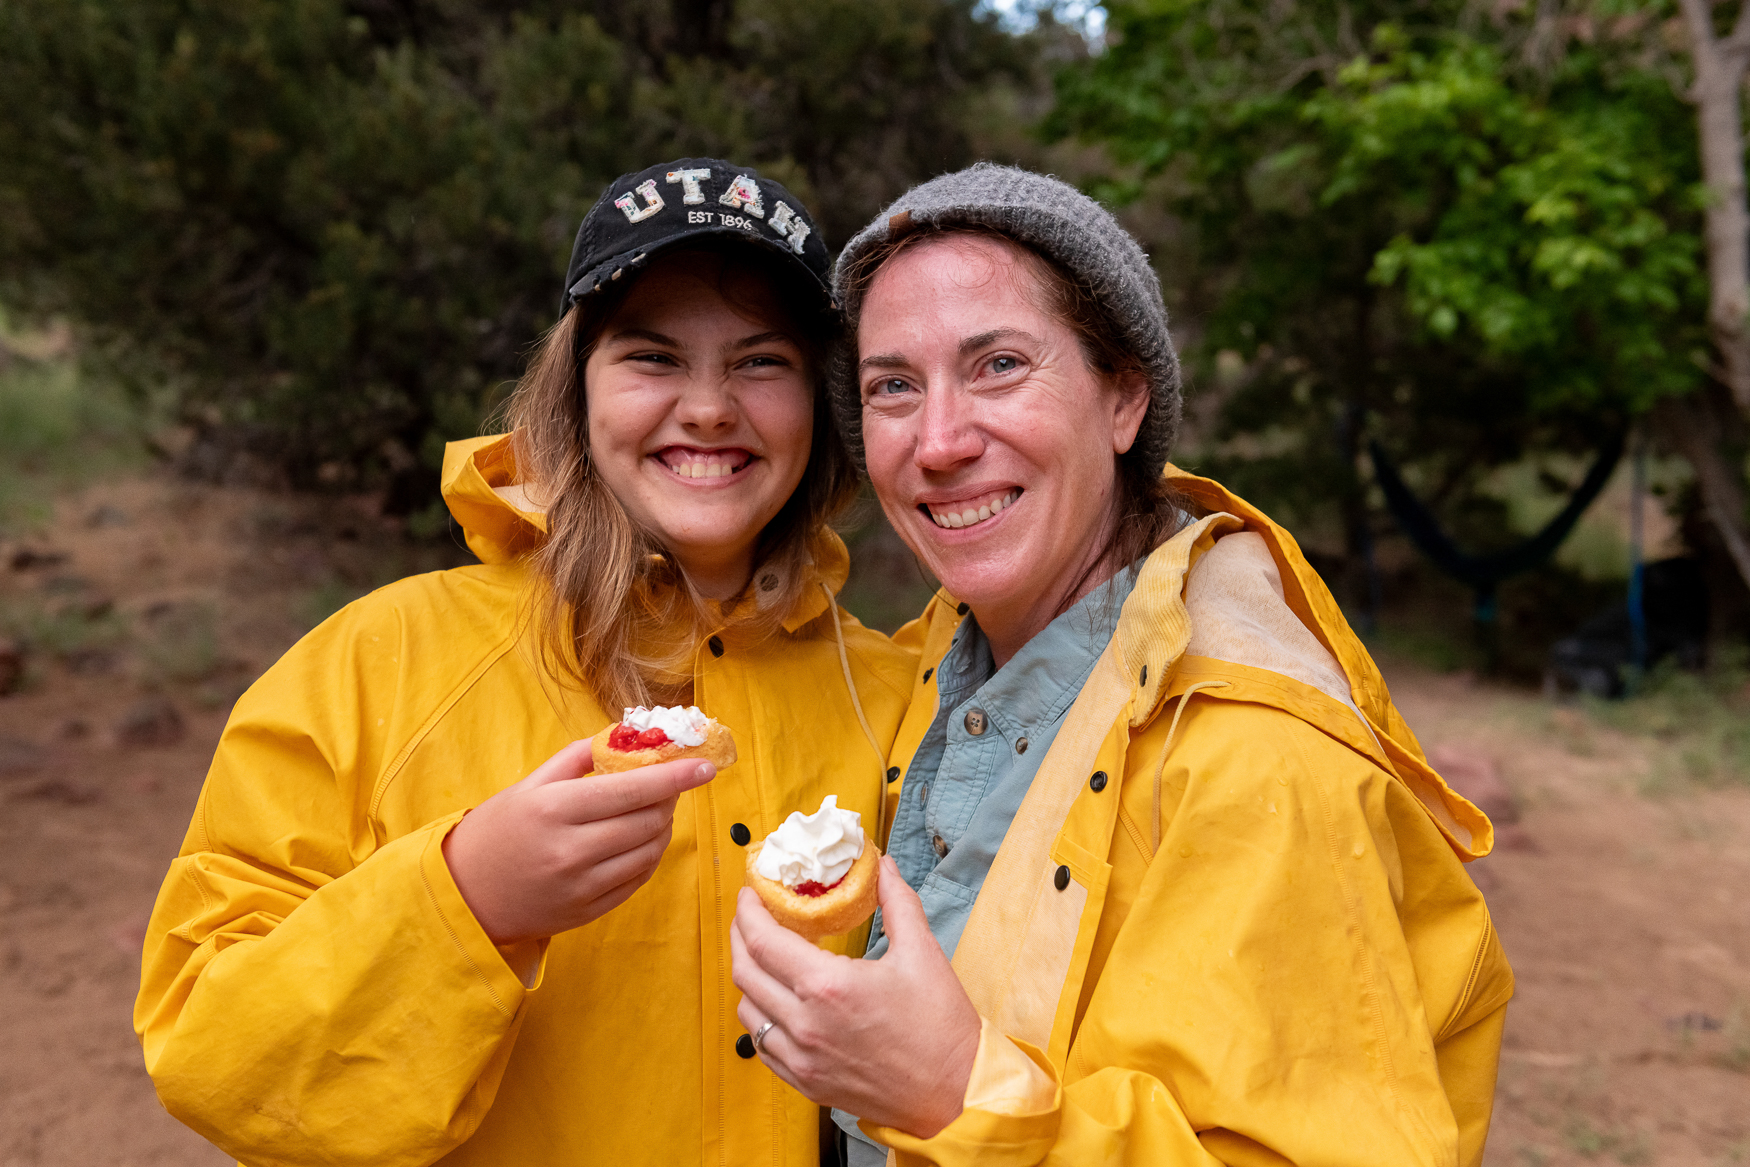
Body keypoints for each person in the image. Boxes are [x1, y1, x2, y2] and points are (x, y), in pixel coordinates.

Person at [134, 158, 917, 1167]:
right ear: (575, 386)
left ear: (821, 407)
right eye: (652, 358)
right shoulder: (381, 662)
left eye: (761, 362)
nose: (712, 409)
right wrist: (465, 902)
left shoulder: (896, 692)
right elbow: (210, 1056)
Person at [730, 164, 1514, 1166]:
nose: (938, 440)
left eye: (999, 364)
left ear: (1123, 401)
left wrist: (946, 1095)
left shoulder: (1255, 756)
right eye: (892, 387)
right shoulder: (929, 662)